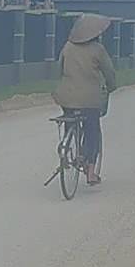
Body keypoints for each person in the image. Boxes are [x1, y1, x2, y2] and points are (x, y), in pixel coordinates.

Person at [53, 14, 117, 185]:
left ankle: (66, 147)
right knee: (92, 130)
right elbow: (109, 72)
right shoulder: (98, 49)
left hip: (66, 97)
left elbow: (58, 69)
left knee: (70, 119)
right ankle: (90, 172)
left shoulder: (67, 47)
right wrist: (111, 87)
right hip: (90, 100)